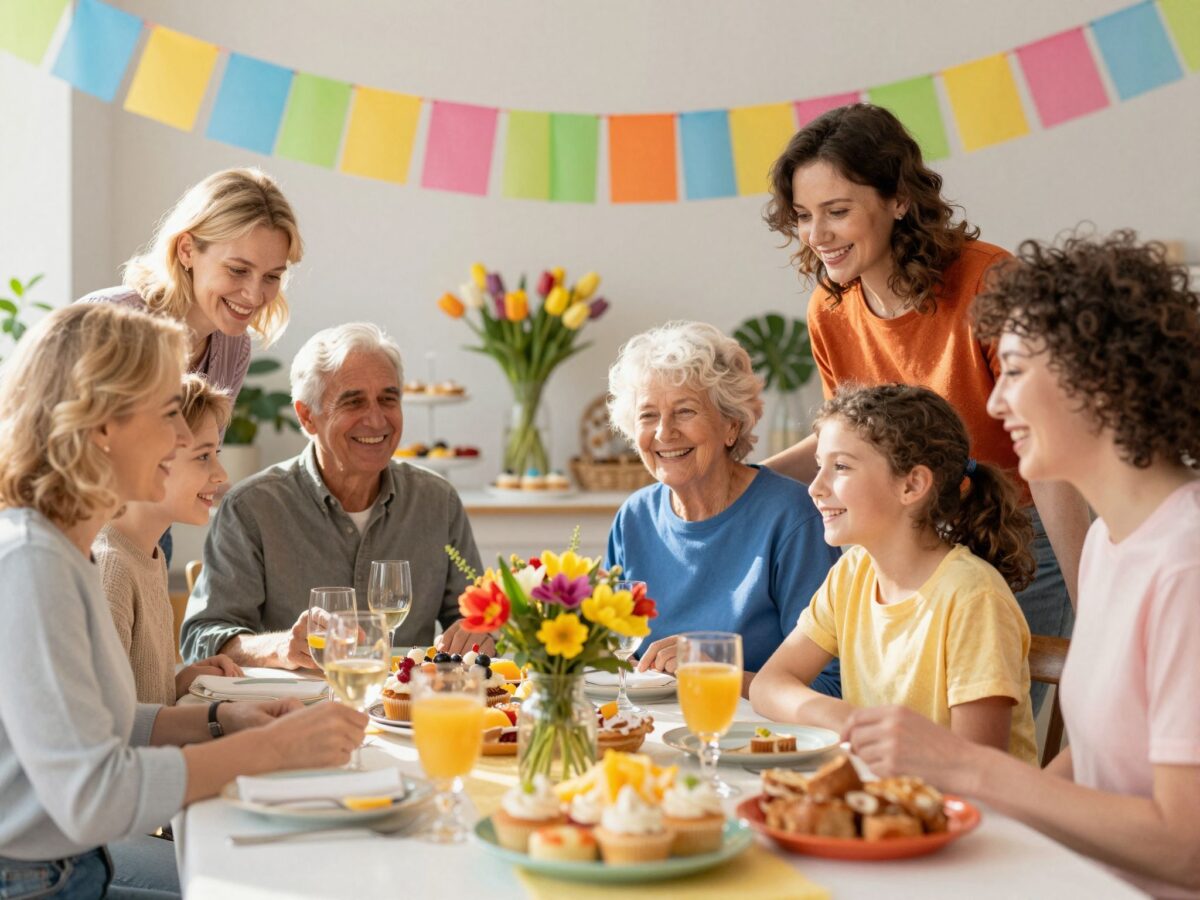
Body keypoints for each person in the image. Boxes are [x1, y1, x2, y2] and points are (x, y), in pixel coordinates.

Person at [843, 233, 1200, 897]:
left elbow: (1186, 848)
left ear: (1095, 378)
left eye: (1012, 371)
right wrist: (965, 821)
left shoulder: (1186, 566)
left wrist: (970, 769)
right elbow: (1096, 766)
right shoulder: (1110, 545)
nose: (996, 402)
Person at [0, 304, 367, 899]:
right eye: (170, 413)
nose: (180, 438)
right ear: (102, 426)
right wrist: (268, 749)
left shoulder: (67, 550)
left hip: (70, 870)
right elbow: (94, 792)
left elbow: (98, 728)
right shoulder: (33, 562)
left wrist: (218, 721)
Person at [761, 104, 1087, 708]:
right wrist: (747, 479)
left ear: (898, 200)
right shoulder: (830, 311)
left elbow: (1052, 453)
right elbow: (847, 443)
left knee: (984, 735)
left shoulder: (990, 283)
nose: (818, 236)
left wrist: (1092, 610)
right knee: (906, 718)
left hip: (1013, 535)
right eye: (805, 217)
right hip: (906, 544)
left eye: (837, 212)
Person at [751, 384, 1038, 763]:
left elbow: (977, 766)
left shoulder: (973, 597)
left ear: (912, 485)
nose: (815, 488)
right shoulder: (851, 574)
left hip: (974, 816)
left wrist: (857, 729)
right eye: (819, 466)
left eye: (840, 467)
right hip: (884, 797)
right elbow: (768, 685)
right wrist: (848, 718)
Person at [180, 322, 486, 668]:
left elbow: (477, 616)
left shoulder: (437, 501)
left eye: (388, 399)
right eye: (353, 402)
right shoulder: (253, 507)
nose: (376, 419)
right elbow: (201, 639)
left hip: (406, 713)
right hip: (294, 712)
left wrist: (479, 630)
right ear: (307, 417)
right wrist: (280, 648)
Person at [79, 167, 303, 565]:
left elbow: (188, 461)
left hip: (150, 535)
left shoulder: (232, 347)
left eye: (272, 276)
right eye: (238, 270)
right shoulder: (109, 320)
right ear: (187, 250)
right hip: (77, 535)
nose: (254, 294)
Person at [604, 321, 841, 696]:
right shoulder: (634, 518)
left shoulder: (791, 518)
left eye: (684, 411)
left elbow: (831, 685)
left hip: (756, 739)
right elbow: (611, 656)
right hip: (652, 731)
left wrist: (714, 672)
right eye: (648, 415)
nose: (664, 432)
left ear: (731, 424)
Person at [94, 373, 241, 705]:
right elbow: (110, 735)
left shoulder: (149, 554)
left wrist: (180, 682)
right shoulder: (110, 570)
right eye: (204, 456)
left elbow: (138, 705)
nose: (222, 475)